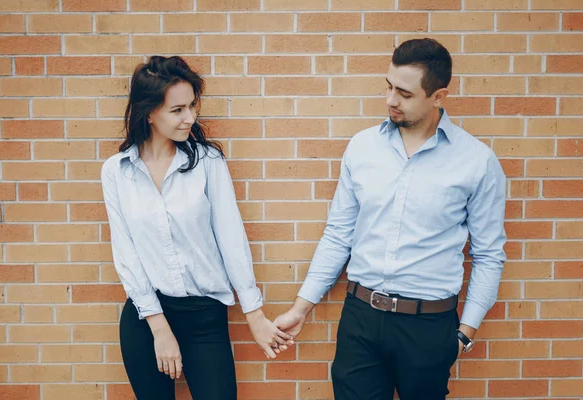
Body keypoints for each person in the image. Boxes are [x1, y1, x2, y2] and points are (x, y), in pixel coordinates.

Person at [274, 38, 507, 400]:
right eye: (388, 87)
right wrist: (301, 307)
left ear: (439, 96)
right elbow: (338, 235)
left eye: (404, 93)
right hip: (361, 320)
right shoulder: (363, 147)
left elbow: (489, 254)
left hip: (429, 327)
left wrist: (464, 333)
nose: (391, 100)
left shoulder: (477, 161)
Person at [101, 55, 291, 400]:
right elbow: (125, 251)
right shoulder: (117, 172)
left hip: (205, 315)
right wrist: (160, 328)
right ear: (149, 112)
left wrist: (254, 314)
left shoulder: (207, 162)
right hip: (147, 317)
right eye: (177, 110)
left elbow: (231, 239)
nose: (189, 117)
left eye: (191, 106)